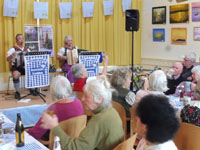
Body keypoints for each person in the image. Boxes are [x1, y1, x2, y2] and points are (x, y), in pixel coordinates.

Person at [41, 76, 124, 150]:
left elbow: (74, 148)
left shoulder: (99, 120)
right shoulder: (112, 112)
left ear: (99, 99)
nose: (82, 99)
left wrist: (54, 127)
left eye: (86, 96)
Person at [27, 76, 84, 141]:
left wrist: (24, 132)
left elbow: (35, 134)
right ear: (69, 88)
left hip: (55, 143)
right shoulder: (78, 103)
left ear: (53, 91)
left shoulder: (52, 110)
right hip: (74, 141)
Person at [6, 34, 30, 99]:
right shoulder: (13, 49)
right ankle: (17, 92)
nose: (21, 40)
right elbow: (7, 59)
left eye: (22, 38)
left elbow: (30, 58)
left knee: (32, 71)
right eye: (20, 38)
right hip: (16, 67)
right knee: (16, 74)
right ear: (16, 41)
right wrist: (11, 56)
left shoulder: (26, 49)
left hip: (24, 67)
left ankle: (33, 89)